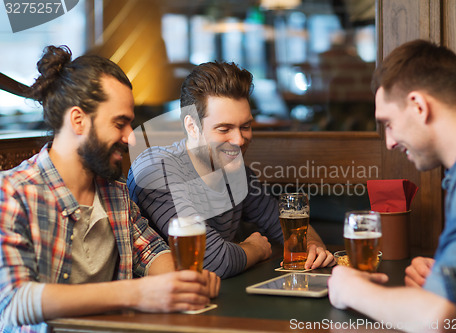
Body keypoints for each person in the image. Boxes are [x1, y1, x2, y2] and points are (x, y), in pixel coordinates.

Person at [0, 45, 220, 333]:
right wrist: (139, 293)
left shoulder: (114, 192)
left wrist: (184, 282)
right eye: (120, 123)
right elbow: (14, 301)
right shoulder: (13, 193)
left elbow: (151, 252)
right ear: (78, 120)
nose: (130, 138)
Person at [328, 39, 456, 331]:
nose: (390, 141)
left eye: (389, 123)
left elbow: (439, 319)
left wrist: (351, 290)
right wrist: (449, 278)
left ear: (419, 106)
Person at [127, 61, 334, 279]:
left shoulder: (237, 174)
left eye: (245, 126)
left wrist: (312, 247)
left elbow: (284, 226)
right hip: (159, 305)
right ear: (192, 127)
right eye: (224, 129)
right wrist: (255, 248)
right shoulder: (156, 169)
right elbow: (211, 262)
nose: (239, 140)